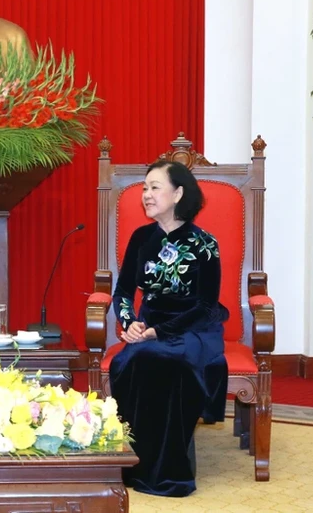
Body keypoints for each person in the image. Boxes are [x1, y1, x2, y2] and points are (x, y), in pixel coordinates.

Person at [109, 160, 228, 497]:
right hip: (149, 324)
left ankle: (169, 470)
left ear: (177, 193)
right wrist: (130, 324)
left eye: (154, 187)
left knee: (162, 359)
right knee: (127, 362)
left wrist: (157, 332)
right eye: (144, 188)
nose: (146, 194)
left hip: (195, 328)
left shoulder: (205, 243)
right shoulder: (141, 238)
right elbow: (122, 292)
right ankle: (132, 462)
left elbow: (206, 305)